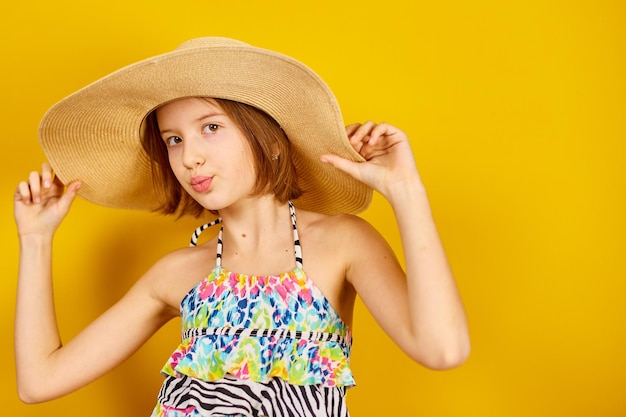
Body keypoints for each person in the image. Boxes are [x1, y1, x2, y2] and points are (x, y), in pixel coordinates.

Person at [13, 37, 470, 417]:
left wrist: (406, 192)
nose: (189, 156)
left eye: (210, 127)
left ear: (270, 142)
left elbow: (443, 350)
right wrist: (35, 240)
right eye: (174, 140)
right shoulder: (177, 274)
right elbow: (39, 381)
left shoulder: (341, 242)